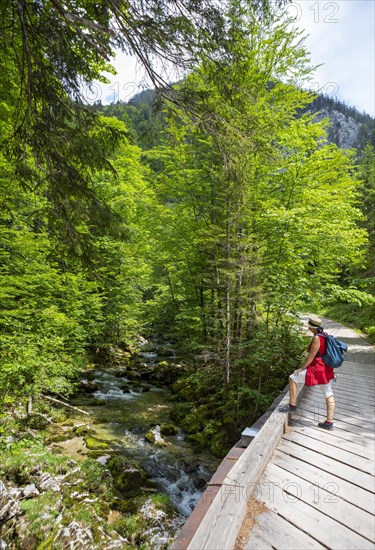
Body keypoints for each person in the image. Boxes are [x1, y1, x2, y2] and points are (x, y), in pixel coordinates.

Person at [279, 316, 335, 430]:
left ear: (312, 328)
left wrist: (301, 368)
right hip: (326, 369)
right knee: (328, 393)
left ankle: (292, 405)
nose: (308, 328)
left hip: (318, 369)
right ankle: (329, 422)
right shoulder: (324, 335)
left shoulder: (317, 338)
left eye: (309, 327)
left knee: (292, 378)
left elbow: (311, 356)